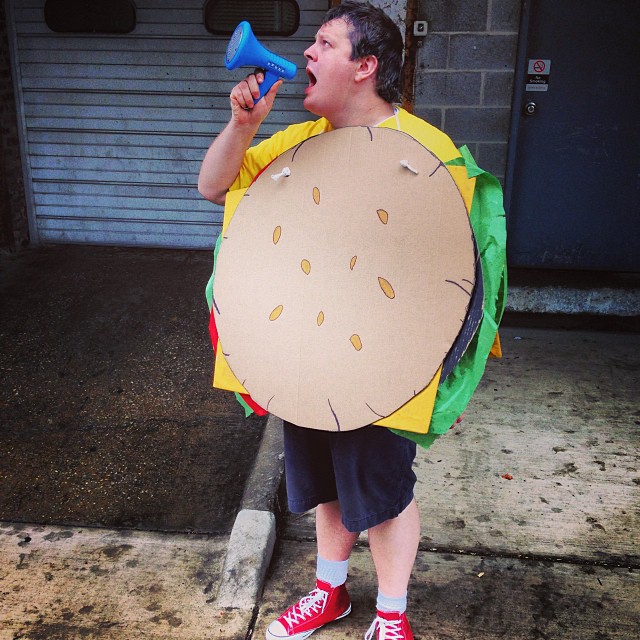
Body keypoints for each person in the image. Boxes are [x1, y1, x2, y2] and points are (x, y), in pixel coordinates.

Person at [198, 3, 467, 638]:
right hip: (310, 350)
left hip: (390, 357)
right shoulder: (297, 145)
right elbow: (214, 185)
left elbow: (460, 273)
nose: (308, 54)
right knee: (328, 486)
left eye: (325, 44)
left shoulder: (429, 154)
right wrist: (243, 126)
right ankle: (330, 593)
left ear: (365, 67)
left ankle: (393, 618)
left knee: (383, 490)